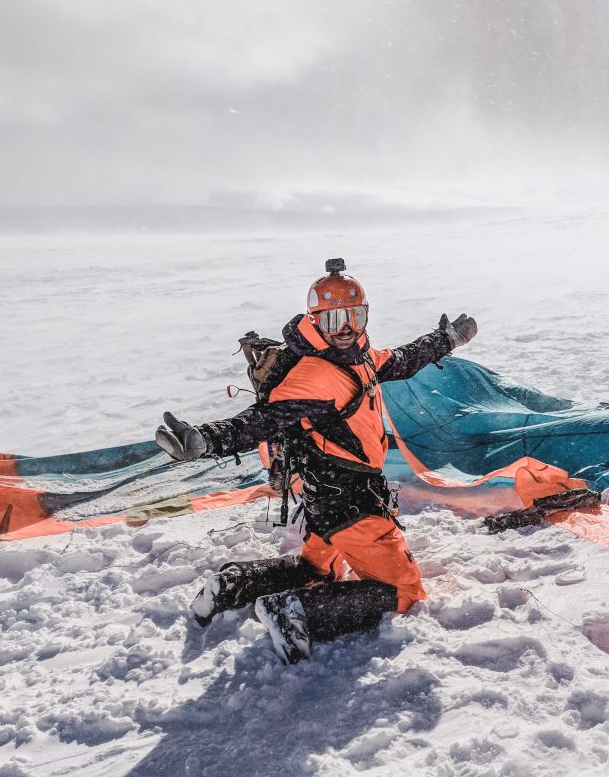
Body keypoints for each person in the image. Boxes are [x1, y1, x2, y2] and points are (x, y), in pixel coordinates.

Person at [156, 258, 477, 663]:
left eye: (354, 317)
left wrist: (446, 339)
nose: (345, 329)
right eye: (334, 320)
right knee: (404, 591)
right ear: (315, 321)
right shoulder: (315, 375)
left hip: (325, 495)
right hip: (350, 501)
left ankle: (234, 585)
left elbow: (402, 359)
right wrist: (207, 439)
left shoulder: (361, 357)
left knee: (317, 570)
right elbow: (263, 420)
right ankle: (293, 612)